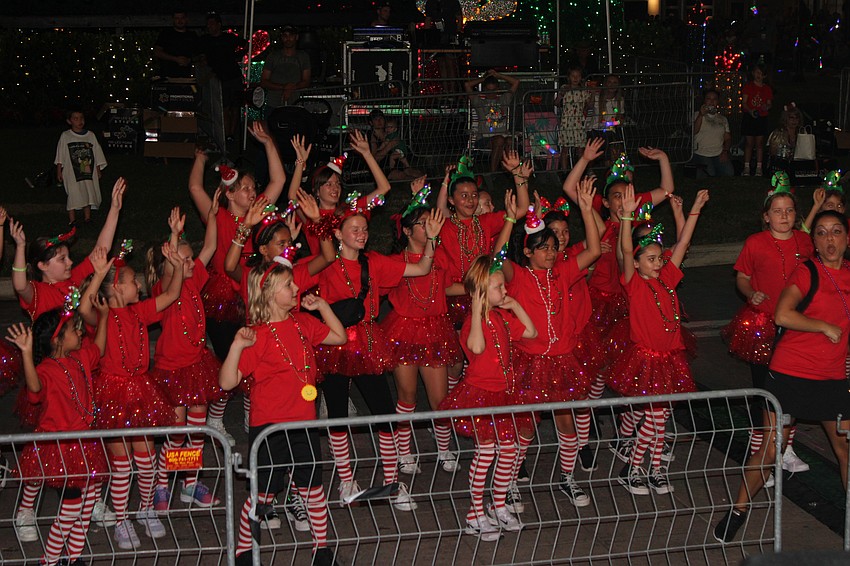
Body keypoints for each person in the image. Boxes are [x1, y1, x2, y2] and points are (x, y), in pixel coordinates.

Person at [714, 209, 850, 543]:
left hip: (832, 377)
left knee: (844, 448)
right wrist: (823, 326)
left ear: (847, 237)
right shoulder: (807, 272)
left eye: (836, 232)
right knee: (773, 447)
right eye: (821, 233)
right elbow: (783, 314)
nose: (829, 239)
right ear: (814, 242)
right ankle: (738, 511)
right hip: (790, 372)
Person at [310, 201, 444, 510]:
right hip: (333, 344)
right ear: (338, 235)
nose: (361, 234)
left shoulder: (375, 262)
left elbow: (422, 268)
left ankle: (393, 482)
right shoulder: (323, 264)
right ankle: (347, 481)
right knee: (338, 416)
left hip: (369, 343)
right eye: (354, 229)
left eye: (365, 229)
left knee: (384, 412)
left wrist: (433, 238)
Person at [219, 259, 347, 566]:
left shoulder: (302, 322)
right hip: (270, 426)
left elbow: (339, 337)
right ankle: (244, 550)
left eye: (294, 283)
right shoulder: (257, 335)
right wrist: (236, 346)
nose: (296, 288)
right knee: (262, 492)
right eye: (288, 285)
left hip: (303, 422)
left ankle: (322, 549)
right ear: (268, 293)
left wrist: (324, 306)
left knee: (313, 488)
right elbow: (226, 381)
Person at [491, 176, 602, 507]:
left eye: (554, 248)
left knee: (567, 425)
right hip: (531, 361)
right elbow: (495, 259)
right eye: (544, 249)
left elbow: (595, 250)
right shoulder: (521, 277)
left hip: (563, 360)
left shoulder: (565, 272)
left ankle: (567, 477)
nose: (551, 253)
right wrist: (511, 220)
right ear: (528, 252)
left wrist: (585, 208)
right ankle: (510, 482)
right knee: (525, 425)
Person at [609, 186, 709, 495]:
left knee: (660, 417)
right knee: (655, 417)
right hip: (648, 359)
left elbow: (683, 243)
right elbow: (626, 249)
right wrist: (626, 215)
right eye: (650, 258)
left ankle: (653, 469)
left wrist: (694, 209)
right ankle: (635, 468)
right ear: (637, 263)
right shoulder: (634, 283)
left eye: (658, 258)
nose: (657, 262)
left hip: (670, 358)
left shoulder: (667, 278)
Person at [188, 122, 286, 437]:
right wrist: (200, 160)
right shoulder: (217, 214)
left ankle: (250, 416)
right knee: (229, 359)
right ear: (230, 193)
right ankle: (216, 418)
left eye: (253, 187)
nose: (253, 192)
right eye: (246, 188)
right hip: (222, 296)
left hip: (252, 291)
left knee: (254, 357)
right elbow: (194, 189)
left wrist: (268, 142)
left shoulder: (255, 212)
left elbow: (279, 179)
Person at [87, 240, 184, 549]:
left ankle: (144, 510)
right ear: (116, 287)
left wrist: (178, 267)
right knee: (122, 465)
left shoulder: (139, 312)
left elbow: (171, 295)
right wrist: (100, 273)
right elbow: (86, 306)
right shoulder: (101, 316)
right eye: (132, 282)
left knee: (146, 459)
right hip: (114, 393)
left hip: (142, 392)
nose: (138, 286)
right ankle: (121, 519)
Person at [6, 280, 109, 566]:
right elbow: (35, 393)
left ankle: (72, 558)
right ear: (57, 338)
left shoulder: (80, 357)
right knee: (71, 508)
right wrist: (26, 353)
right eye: (74, 328)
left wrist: (103, 318)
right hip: (60, 449)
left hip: (85, 444)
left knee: (88, 504)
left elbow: (98, 347)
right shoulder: (46, 370)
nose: (80, 332)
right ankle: (49, 560)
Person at [722, 176, 815, 481]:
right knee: (765, 390)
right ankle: (761, 454)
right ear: (766, 215)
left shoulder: (805, 241)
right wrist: (751, 293)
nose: (784, 216)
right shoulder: (755, 243)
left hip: (796, 325)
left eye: (789, 210)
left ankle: (785, 448)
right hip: (763, 325)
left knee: (795, 387)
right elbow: (742, 277)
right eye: (777, 210)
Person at [438, 253, 537, 540]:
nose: (505, 291)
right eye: (499, 288)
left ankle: (498, 505)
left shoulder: (503, 317)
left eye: (504, 287)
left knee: (508, 451)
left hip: (505, 394)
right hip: (481, 396)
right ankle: (475, 514)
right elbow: (477, 349)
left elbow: (530, 331)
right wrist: (478, 310)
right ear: (480, 293)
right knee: (486, 454)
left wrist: (514, 305)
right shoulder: (472, 322)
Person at [147, 202, 225, 512]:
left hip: (197, 366)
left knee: (196, 430)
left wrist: (213, 216)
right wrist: (174, 234)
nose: (193, 263)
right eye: (186, 260)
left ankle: (190, 484)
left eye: (192, 260)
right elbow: (171, 271)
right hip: (173, 369)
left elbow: (211, 246)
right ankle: (163, 485)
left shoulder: (194, 280)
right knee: (177, 433)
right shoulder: (163, 288)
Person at [383, 182, 463, 476]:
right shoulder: (395, 262)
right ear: (406, 231)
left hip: (435, 331)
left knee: (440, 398)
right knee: (407, 397)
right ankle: (404, 453)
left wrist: (477, 286)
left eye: (431, 223)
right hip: (404, 332)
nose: (430, 227)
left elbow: (447, 287)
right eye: (422, 224)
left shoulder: (440, 257)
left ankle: (444, 448)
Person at [10, 178, 125, 322]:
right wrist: (20, 246)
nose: (70, 262)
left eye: (68, 257)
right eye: (62, 259)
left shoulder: (73, 279)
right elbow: (20, 286)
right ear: (43, 265)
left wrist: (115, 209)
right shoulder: (39, 292)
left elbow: (101, 250)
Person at [293, 130, 393, 256]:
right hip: (322, 273)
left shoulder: (349, 209)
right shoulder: (310, 214)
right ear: (317, 191)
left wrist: (367, 154)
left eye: (337, 184)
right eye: (329, 184)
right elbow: (293, 197)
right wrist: (300, 163)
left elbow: (384, 187)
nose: (335, 188)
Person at [55, 108, 107, 226]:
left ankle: (87, 218)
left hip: (87, 170)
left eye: (82, 118)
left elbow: (96, 153)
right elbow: (60, 154)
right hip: (71, 171)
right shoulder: (66, 136)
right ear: (69, 121)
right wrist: (59, 170)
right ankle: (72, 220)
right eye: (76, 119)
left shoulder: (90, 135)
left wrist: (98, 170)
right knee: (73, 193)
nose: (80, 121)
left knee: (87, 191)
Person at [200, 12, 244, 143]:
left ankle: (231, 134)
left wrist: (239, 55)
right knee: (223, 107)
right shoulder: (205, 40)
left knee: (235, 106)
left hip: (234, 75)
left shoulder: (228, 38)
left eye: (212, 24)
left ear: (219, 25)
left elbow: (246, 44)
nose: (210, 27)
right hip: (218, 78)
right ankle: (224, 134)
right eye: (208, 24)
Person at [465, 69, 521, 173]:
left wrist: (498, 75)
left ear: (497, 89)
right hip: (484, 139)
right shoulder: (479, 102)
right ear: (485, 89)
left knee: (509, 140)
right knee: (499, 139)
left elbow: (516, 82)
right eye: (488, 90)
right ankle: (493, 173)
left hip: (502, 137)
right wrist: (484, 78)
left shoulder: (503, 100)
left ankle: (510, 171)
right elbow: (467, 85)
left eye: (493, 90)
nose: (491, 94)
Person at [260, 25, 311, 109]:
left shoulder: (303, 56)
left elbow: (306, 81)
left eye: (291, 36)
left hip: (296, 103)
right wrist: (284, 87)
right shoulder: (273, 56)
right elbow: (264, 81)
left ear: (296, 37)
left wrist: (291, 87)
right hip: (273, 103)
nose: (288, 39)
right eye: (285, 36)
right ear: (282, 38)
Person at [692, 88, 734, 177]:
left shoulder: (722, 119)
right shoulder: (696, 115)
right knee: (709, 174)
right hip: (702, 152)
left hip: (718, 152)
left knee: (729, 173)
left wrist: (725, 151)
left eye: (714, 99)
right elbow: (694, 131)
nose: (711, 102)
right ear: (704, 101)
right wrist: (701, 115)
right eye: (708, 99)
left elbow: (728, 138)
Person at [555, 66, 591, 169]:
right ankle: (564, 172)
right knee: (565, 149)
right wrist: (561, 95)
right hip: (566, 121)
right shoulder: (564, 88)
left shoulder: (583, 91)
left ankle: (580, 171)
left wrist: (591, 94)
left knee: (580, 149)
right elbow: (556, 103)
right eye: (573, 76)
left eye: (578, 76)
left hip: (578, 121)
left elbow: (588, 105)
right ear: (569, 77)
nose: (575, 78)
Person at [585, 74, 625, 166]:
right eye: (609, 82)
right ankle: (590, 168)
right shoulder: (597, 98)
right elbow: (589, 107)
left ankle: (610, 167)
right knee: (599, 141)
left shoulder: (619, 101)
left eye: (615, 83)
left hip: (610, 129)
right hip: (595, 129)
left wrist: (613, 123)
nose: (612, 85)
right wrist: (593, 93)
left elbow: (620, 119)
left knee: (610, 142)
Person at [741, 64, 773, 176]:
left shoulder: (767, 89)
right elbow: (744, 103)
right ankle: (746, 167)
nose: (758, 75)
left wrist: (766, 107)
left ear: (764, 76)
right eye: (756, 72)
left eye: (761, 73)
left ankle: (759, 167)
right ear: (753, 73)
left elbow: (769, 103)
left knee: (759, 143)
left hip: (761, 117)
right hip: (749, 117)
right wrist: (750, 111)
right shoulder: (748, 87)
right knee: (749, 143)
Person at [153, 9, 200, 79]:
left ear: (186, 19)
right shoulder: (166, 34)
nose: (180, 21)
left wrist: (189, 60)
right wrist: (176, 59)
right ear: (173, 20)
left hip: (187, 77)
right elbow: (157, 52)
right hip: (167, 76)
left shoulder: (192, 35)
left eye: (182, 18)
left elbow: (199, 55)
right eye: (177, 18)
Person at [767, 102, 805, 178]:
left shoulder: (803, 132)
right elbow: (773, 153)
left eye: (796, 118)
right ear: (786, 119)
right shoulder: (778, 133)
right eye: (791, 118)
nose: (794, 121)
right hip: (781, 166)